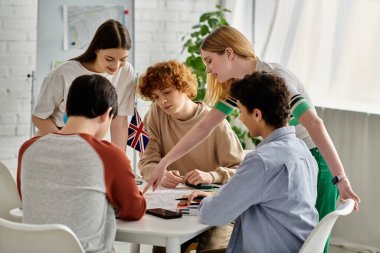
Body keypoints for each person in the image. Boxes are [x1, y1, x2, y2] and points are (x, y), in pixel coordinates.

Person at [144, 25, 360, 252]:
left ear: (228, 53)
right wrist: (165, 162)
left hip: (312, 156)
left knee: (312, 243)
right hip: (291, 153)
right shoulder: (241, 87)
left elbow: (315, 124)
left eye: (209, 61)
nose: (207, 70)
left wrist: (340, 178)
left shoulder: (274, 79)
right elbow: (204, 126)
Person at [185, 71, 319, 253]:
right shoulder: (302, 149)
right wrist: (219, 198)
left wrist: (208, 203)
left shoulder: (262, 160)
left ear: (256, 114)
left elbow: (213, 215)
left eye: (240, 111)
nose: (240, 118)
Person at [17, 74, 146, 253]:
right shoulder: (108, 154)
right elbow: (134, 210)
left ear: (67, 111)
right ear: (107, 114)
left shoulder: (28, 148)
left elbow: (29, 198)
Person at [138, 60, 244, 252]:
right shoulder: (154, 115)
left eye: (167, 92)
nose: (162, 101)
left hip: (217, 208)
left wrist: (212, 176)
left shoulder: (215, 121)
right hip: (176, 208)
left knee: (210, 248)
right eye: (155, 97)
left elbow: (241, 170)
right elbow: (146, 161)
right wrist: (158, 172)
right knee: (162, 247)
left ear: (183, 87)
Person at [32, 19, 136, 150]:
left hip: (90, 144)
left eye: (123, 59)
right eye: (109, 59)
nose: (116, 66)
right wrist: (64, 144)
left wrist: (119, 159)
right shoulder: (63, 73)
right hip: (54, 139)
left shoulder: (125, 71)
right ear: (96, 49)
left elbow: (119, 120)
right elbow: (38, 117)